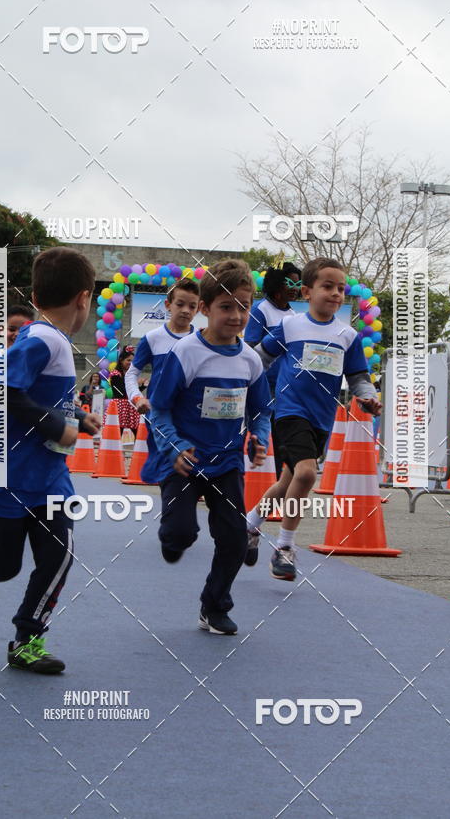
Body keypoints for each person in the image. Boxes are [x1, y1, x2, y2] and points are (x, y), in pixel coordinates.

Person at [0, 247, 101, 674]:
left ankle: (27, 640)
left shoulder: (51, 340)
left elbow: (38, 396)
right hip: (5, 474)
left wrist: (76, 417)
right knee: (1, 567)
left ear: (34, 297)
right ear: (84, 298)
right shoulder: (44, 339)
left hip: (48, 478)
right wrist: (58, 427)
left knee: (59, 554)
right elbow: (4, 392)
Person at [150, 259, 272, 635]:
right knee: (181, 534)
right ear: (204, 308)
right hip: (184, 460)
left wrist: (260, 438)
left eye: (243, 307)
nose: (236, 316)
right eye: (226, 306)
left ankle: (214, 606)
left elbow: (261, 411)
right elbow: (159, 409)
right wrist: (175, 446)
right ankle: (173, 537)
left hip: (227, 461)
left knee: (235, 539)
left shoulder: (250, 360)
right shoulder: (186, 352)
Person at [244, 257, 381, 581]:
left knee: (287, 482)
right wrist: (247, 389)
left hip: (321, 419)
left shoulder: (348, 335)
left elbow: (358, 377)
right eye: (327, 286)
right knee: (306, 474)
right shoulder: (291, 326)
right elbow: (260, 358)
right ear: (307, 292)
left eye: (341, 289)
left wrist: (368, 397)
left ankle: (248, 526)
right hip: (289, 412)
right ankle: (284, 547)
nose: (335, 294)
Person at [125, 278, 200, 482]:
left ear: (199, 308)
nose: (185, 310)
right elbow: (131, 373)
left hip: (192, 418)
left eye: (192, 306)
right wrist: (137, 398)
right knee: (168, 476)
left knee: (191, 474)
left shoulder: (201, 340)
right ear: (168, 305)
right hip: (160, 418)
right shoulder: (152, 338)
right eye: (180, 304)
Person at [243, 262, 302, 477]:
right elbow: (250, 347)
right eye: (290, 283)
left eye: (298, 284)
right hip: (263, 385)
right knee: (261, 432)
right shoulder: (260, 309)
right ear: (276, 283)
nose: (295, 288)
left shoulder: (293, 314)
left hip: (285, 387)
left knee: (281, 439)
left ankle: (275, 481)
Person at [109, 347, 140, 436]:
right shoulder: (115, 374)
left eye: (132, 361)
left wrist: (142, 386)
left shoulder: (131, 375)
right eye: (128, 360)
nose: (130, 363)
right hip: (120, 406)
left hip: (131, 405)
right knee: (117, 432)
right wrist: (137, 384)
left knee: (137, 431)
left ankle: (139, 445)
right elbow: (120, 392)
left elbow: (131, 392)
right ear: (121, 360)